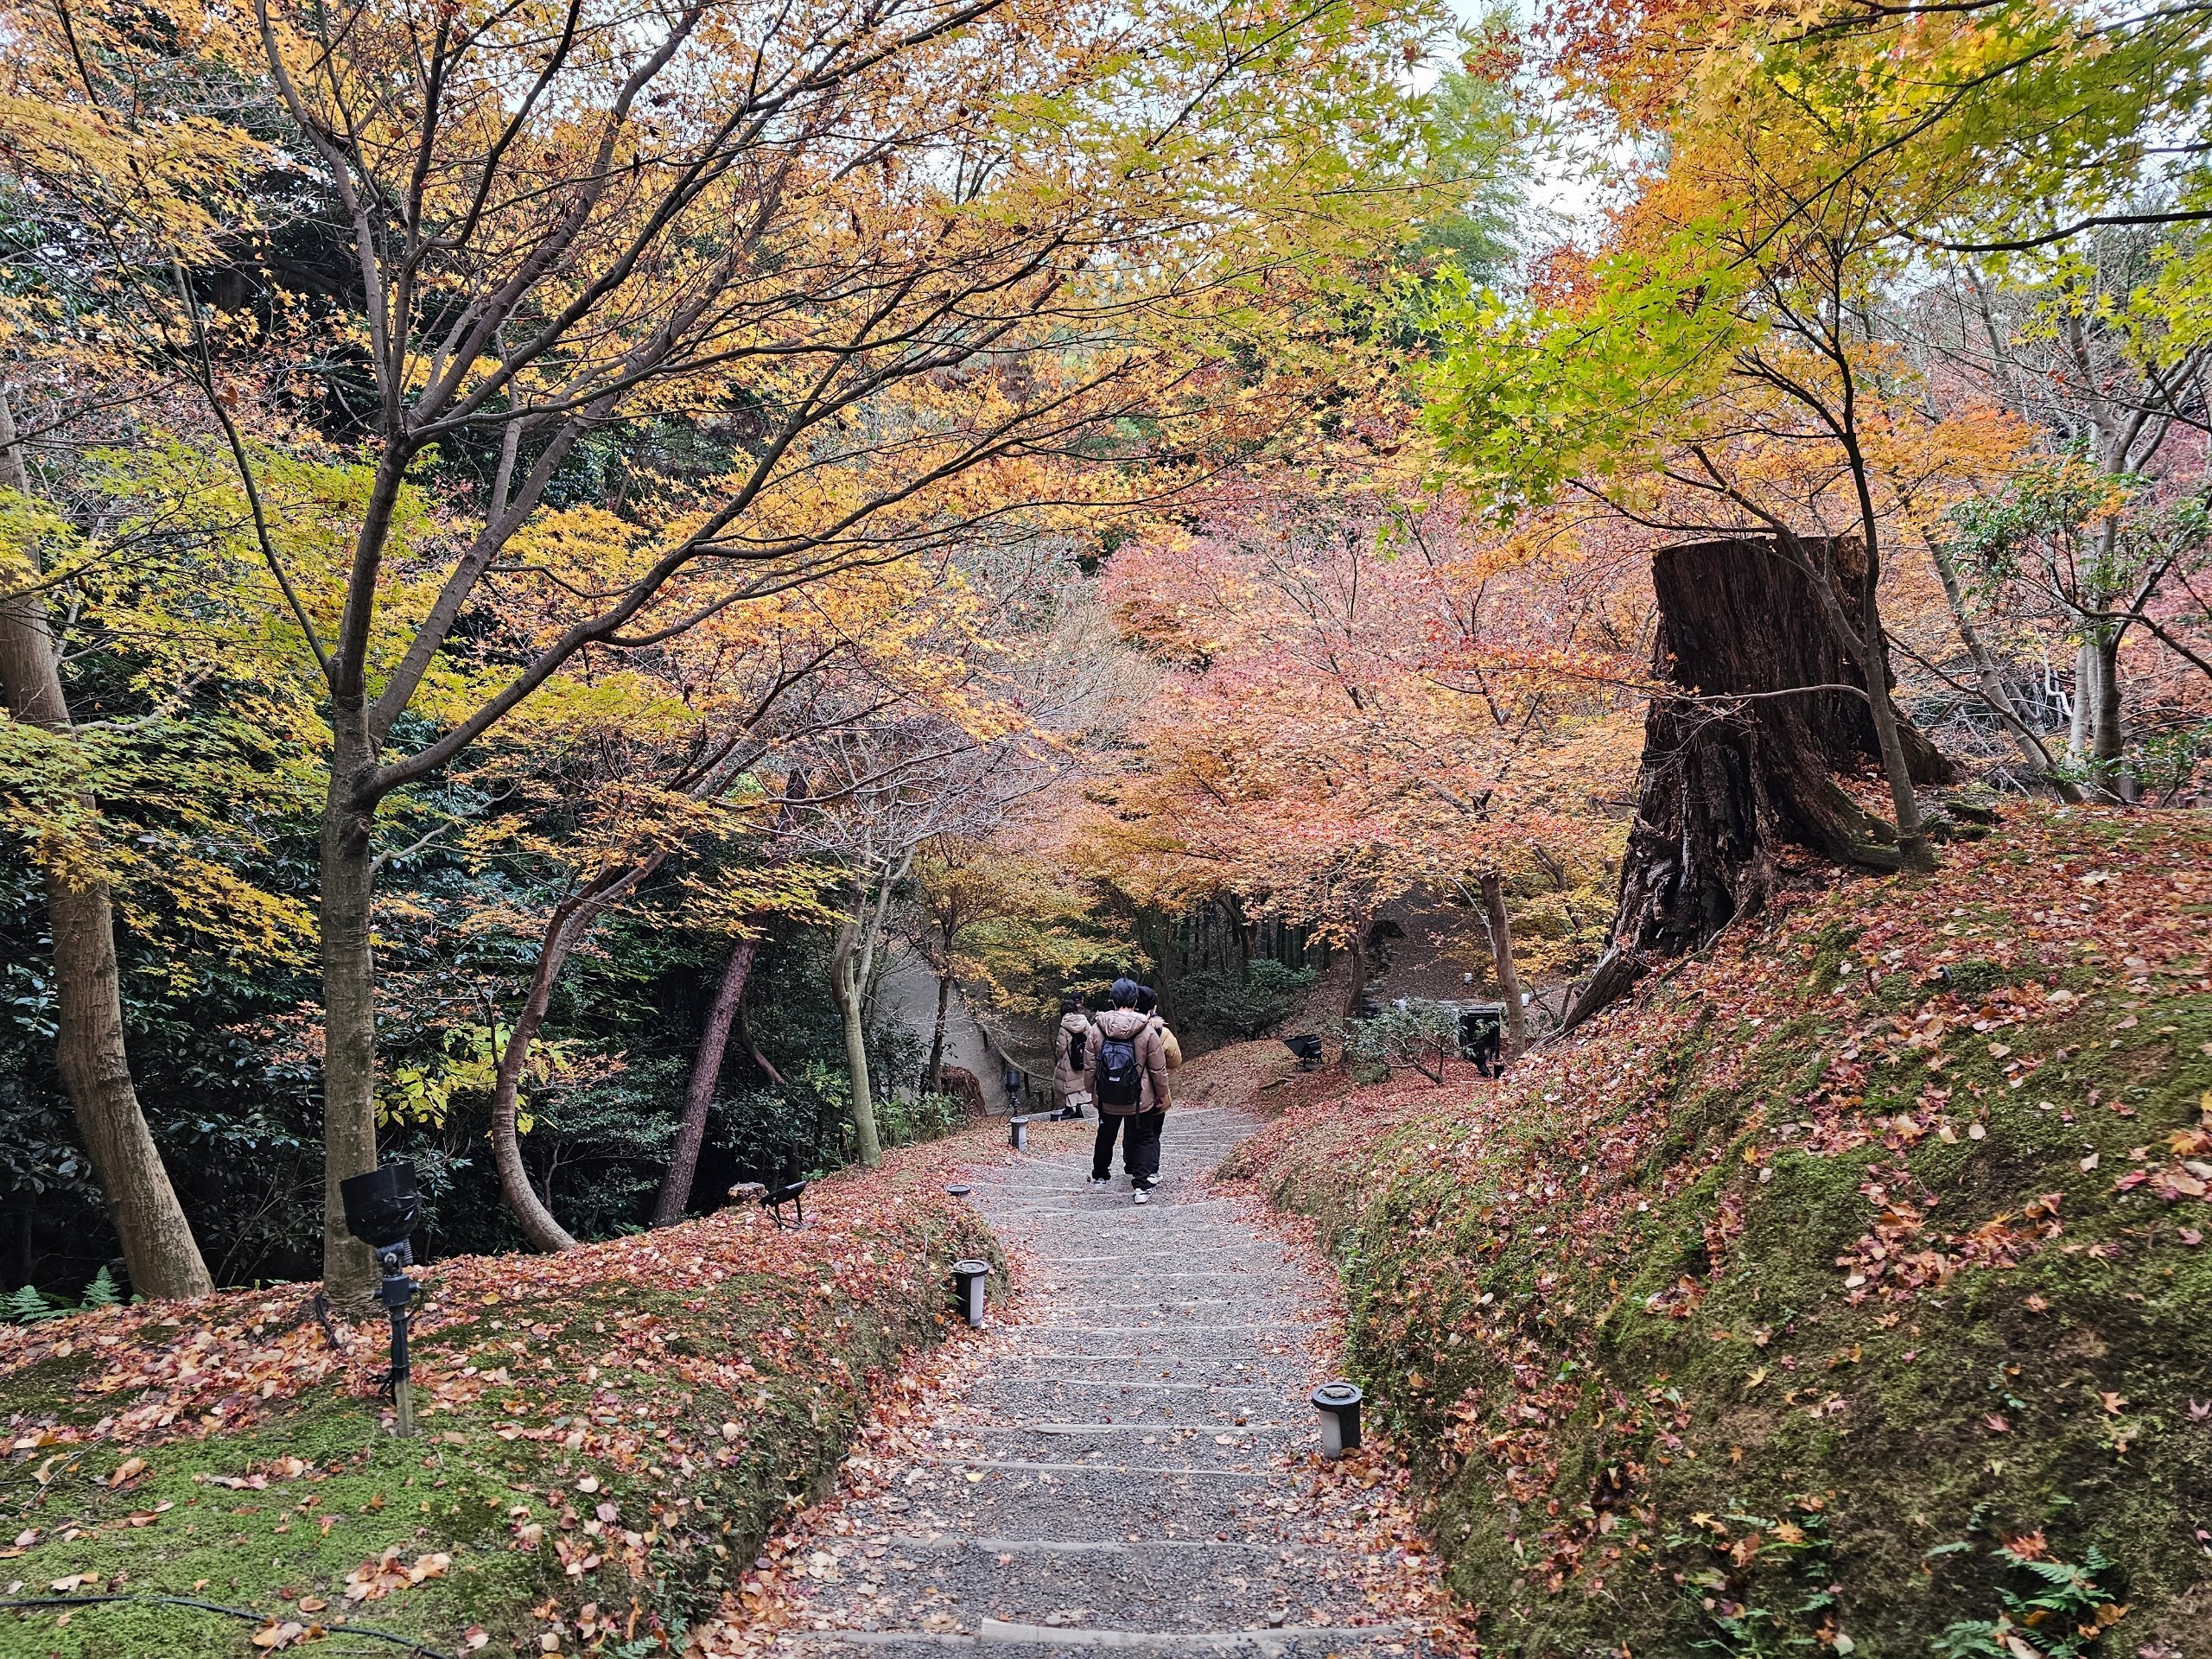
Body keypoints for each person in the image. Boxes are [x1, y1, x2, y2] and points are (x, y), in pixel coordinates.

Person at [1089, 977, 1171, 1204]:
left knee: (1105, 1134)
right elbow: (1157, 1068)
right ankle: (1142, 1187)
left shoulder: (1097, 1028)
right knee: (1144, 1138)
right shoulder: (1147, 1030)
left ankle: (1100, 1177)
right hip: (1139, 1098)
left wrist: (1092, 1091)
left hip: (1107, 1095)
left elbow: (1090, 1065)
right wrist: (1162, 1094)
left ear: (1113, 1000)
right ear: (1135, 1001)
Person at [1052, 994, 1096, 1120]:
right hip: (1082, 1058)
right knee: (1080, 1084)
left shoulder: (1064, 1025)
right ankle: (1078, 1109)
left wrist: (1060, 1056)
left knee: (1068, 1085)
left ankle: (1069, 1109)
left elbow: (1061, 1047)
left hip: (1069, 1060)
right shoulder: (1084, 1021)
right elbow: (1092, 1037)